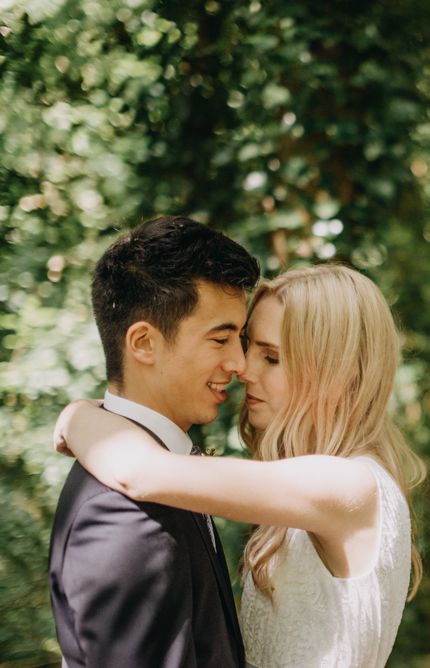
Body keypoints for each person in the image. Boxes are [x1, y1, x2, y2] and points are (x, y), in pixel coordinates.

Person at [55, 264, 425, 668]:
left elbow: (140, 472)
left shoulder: (349, 486)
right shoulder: (328, 483)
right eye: (250, 347)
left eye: (271, 357)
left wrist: (77, 416)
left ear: (335, 372)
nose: (244, 369)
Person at [48, 216, 259, 668]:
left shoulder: (158, 469)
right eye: (220, 338)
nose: (239, 363)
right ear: (143, 342)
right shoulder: (126, 515)